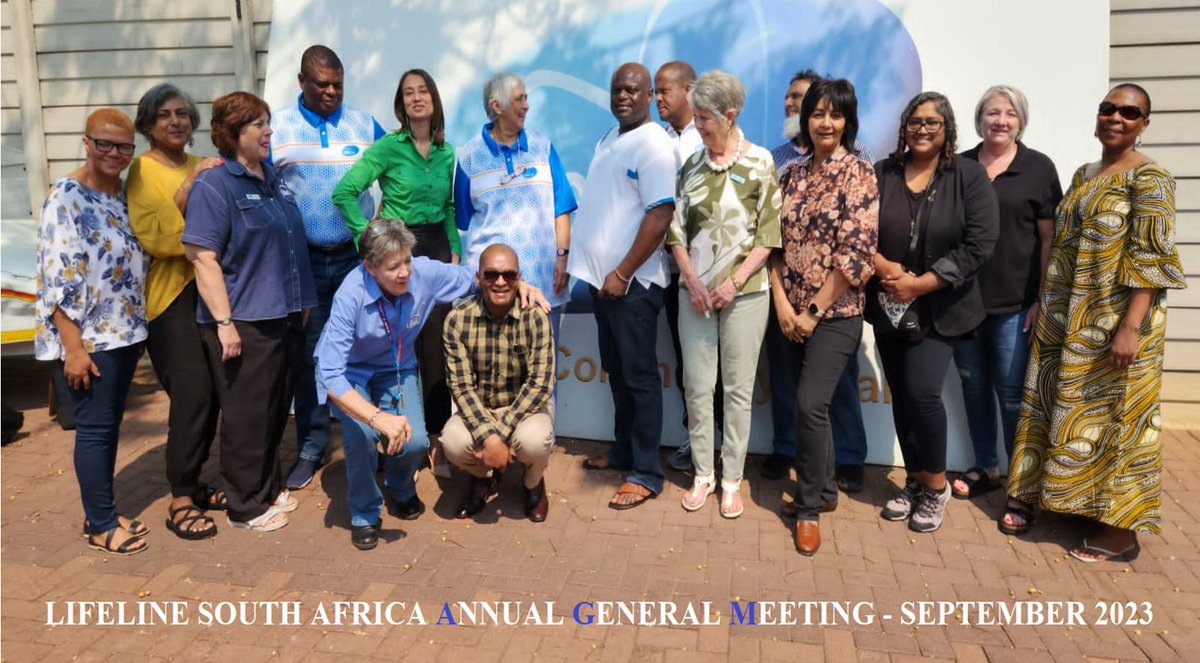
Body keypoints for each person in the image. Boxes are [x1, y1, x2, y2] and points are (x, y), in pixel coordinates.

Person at [1004, 84, 1185, 563]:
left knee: (1119, 419)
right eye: (1109, 108)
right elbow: (1062, 247)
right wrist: (1046, 302)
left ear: (1145, 124)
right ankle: (1073, 503)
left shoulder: (1152, 179)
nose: (1116, 118)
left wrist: (1130, 327)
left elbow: (1151, 260)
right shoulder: (1086, 173)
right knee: (1069, 411)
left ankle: (1120, 533)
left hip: (1115, 321)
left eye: (1130, 112)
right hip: (1068, 318)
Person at [315, 221, 548, 550]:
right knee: (361, 438)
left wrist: (522, 284)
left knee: (416, 442)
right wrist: (377, 419)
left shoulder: (423, 273)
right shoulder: (349, 295)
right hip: (351, 372)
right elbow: (330, 376)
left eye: (407, 261)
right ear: (369, 267)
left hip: (396, 366)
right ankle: (365, 513)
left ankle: (399, 489)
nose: (404, 272)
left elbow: (480, 276)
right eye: (392, 266)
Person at [183, 91, 316, 533]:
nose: (268, 131)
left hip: (283, 316)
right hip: (244, 321)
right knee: (247, 415)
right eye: (258, 124)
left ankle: (265, 487)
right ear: (231, 132)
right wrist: (224, 324)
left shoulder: (271, 178)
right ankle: (245, 507)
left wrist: (299, 304)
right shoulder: (215, 184)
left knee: (276, 409)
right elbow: (202, 257)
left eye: (267, 122)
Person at [869, 91, 997, 533]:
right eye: (915, 122)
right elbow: (859, 228)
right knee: (902, 396)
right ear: (904, 127)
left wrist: (920, 284)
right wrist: (886, 269)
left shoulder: (968, 176)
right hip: (889, 304)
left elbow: (979, 244)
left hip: (942, 306)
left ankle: (937, 487)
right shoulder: (882, 172)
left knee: (923, 393)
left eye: (932, 123)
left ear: (947, 129)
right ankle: (915, 482)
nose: (922, 130)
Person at [270, 44, 387, 492]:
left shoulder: (363, 124)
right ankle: (312, 445)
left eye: (338, 84)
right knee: (312, 356)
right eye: (322, 84)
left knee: (367, 346)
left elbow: (393, 173)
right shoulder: (277, 126)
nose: (332, 92)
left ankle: (372, 437)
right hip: (303, 264)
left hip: (356, 259)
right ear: (302, 81)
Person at [667, 71, 781, 518]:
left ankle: (731, 480)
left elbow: (769, 235)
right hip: (692, 295)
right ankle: (702, 476)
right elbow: (676, 232)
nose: (697, 125)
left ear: (730, 116)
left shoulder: (761, 163)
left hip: (747, 295)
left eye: (705, 118)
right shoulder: (692, 165)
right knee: (697, 388)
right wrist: (693, 282)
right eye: (695, 117)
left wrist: (734, 282)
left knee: (737, 391)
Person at [772, 79, 878, 555]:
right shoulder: (790, 174)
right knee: (803, 404)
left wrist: (812, 312)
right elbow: (772, 244)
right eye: (818, 114)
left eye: (835, 115)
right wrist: (783, 306)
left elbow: (857, 255)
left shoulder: (859, 173)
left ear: (847, 121)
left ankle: (810, 507)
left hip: (835, 315)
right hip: (789, 311)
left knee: (813, 405)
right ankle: (828, 490)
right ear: (805, 119)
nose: (826, 123)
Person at [36, 108, 149, 555]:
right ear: (86, 142)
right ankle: (101, 524)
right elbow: (58, 279)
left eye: (123, 146)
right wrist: (73, 348)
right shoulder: (66, 197)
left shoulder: (123, 194)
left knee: (109, 426)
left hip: (124, 332)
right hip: (90, 338)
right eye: (104, 143)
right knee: (96, 429)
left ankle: (101, 509)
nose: (114, 153)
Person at [333, 68, 459, 451]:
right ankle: (395, 432)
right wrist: (367, 236)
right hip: (399, 247)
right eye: (408, 93)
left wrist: (454, 248)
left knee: (436, 344)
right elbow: (344, 192)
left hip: (436, 245)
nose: (417, 97)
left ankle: (435, 437)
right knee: (397, 341)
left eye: (423, 91)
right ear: (401, 104)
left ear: (434, 100)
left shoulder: (446, 152)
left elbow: (450, 206)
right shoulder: (388, 148)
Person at [569, 62, 676, 510]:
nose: (623, 96)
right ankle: (623, 451)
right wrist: (602, 277)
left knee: (639, 379)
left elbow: (660, 215)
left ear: (650, 95)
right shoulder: (610, 139)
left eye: (633, 90)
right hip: (604, 287)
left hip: (632, 286)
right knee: (618, 374)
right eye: (617, 89)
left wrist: (622, 273)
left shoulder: (654, 145)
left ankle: (647, 473)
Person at [950, 85, 1062, 499]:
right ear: (979, 119)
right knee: (973, 389)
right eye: (992, 112)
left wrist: (1041, 299)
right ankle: (986, 467)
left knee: (1013, 396)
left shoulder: (1038, 168)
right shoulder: (958, 167)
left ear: (1021, 121)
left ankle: (1020, 481)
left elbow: (1050, 240)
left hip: (1016, 304)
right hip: (961, 302)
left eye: (1009, 114)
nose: (1000, 120)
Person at [127, 84, 226, 539]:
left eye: (183, 113)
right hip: (170, 301)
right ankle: (181, 496)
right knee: (193, 395)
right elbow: (159, 238)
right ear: (147, 124)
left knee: (217, 395)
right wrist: (189, 188)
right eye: (165, 114)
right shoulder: (141, 172)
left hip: (215, 294)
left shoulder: (203, 162)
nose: (176, 121)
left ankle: (195, 480)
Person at [454, 72, 577, 342]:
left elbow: (562, 208)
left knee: (544, 376)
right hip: (492, 290)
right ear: (497, 107)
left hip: (543, 284)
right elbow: (464, 220)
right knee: (491, 375)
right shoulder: (469, 157)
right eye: (519, 99)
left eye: (526, 98)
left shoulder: (543, 146)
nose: (526, 105)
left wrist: (563, 258)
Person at [442, 245, 555, 522]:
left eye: (508, 274)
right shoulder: (457, 320)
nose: (501, 282)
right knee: (453, 442)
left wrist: (498, 436)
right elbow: (461, 387)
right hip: (480, 408)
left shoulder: (535, 317)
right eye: (491, 275)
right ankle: (481, 479)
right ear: (479, 278)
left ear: (519, 278)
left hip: (525, 410)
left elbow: (540, 384)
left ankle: (532, 485)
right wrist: (488, 437)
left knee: (535, 442)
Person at [654, 60, 721, 474]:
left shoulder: (708, 138)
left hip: (710, 272)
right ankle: (695, 440)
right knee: (688, 364)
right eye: (656, 91)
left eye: (665, 90)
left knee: (715, 365)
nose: (658, 99)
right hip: (668, 270)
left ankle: (719, 448)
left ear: (689, 89)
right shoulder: (655, 139)